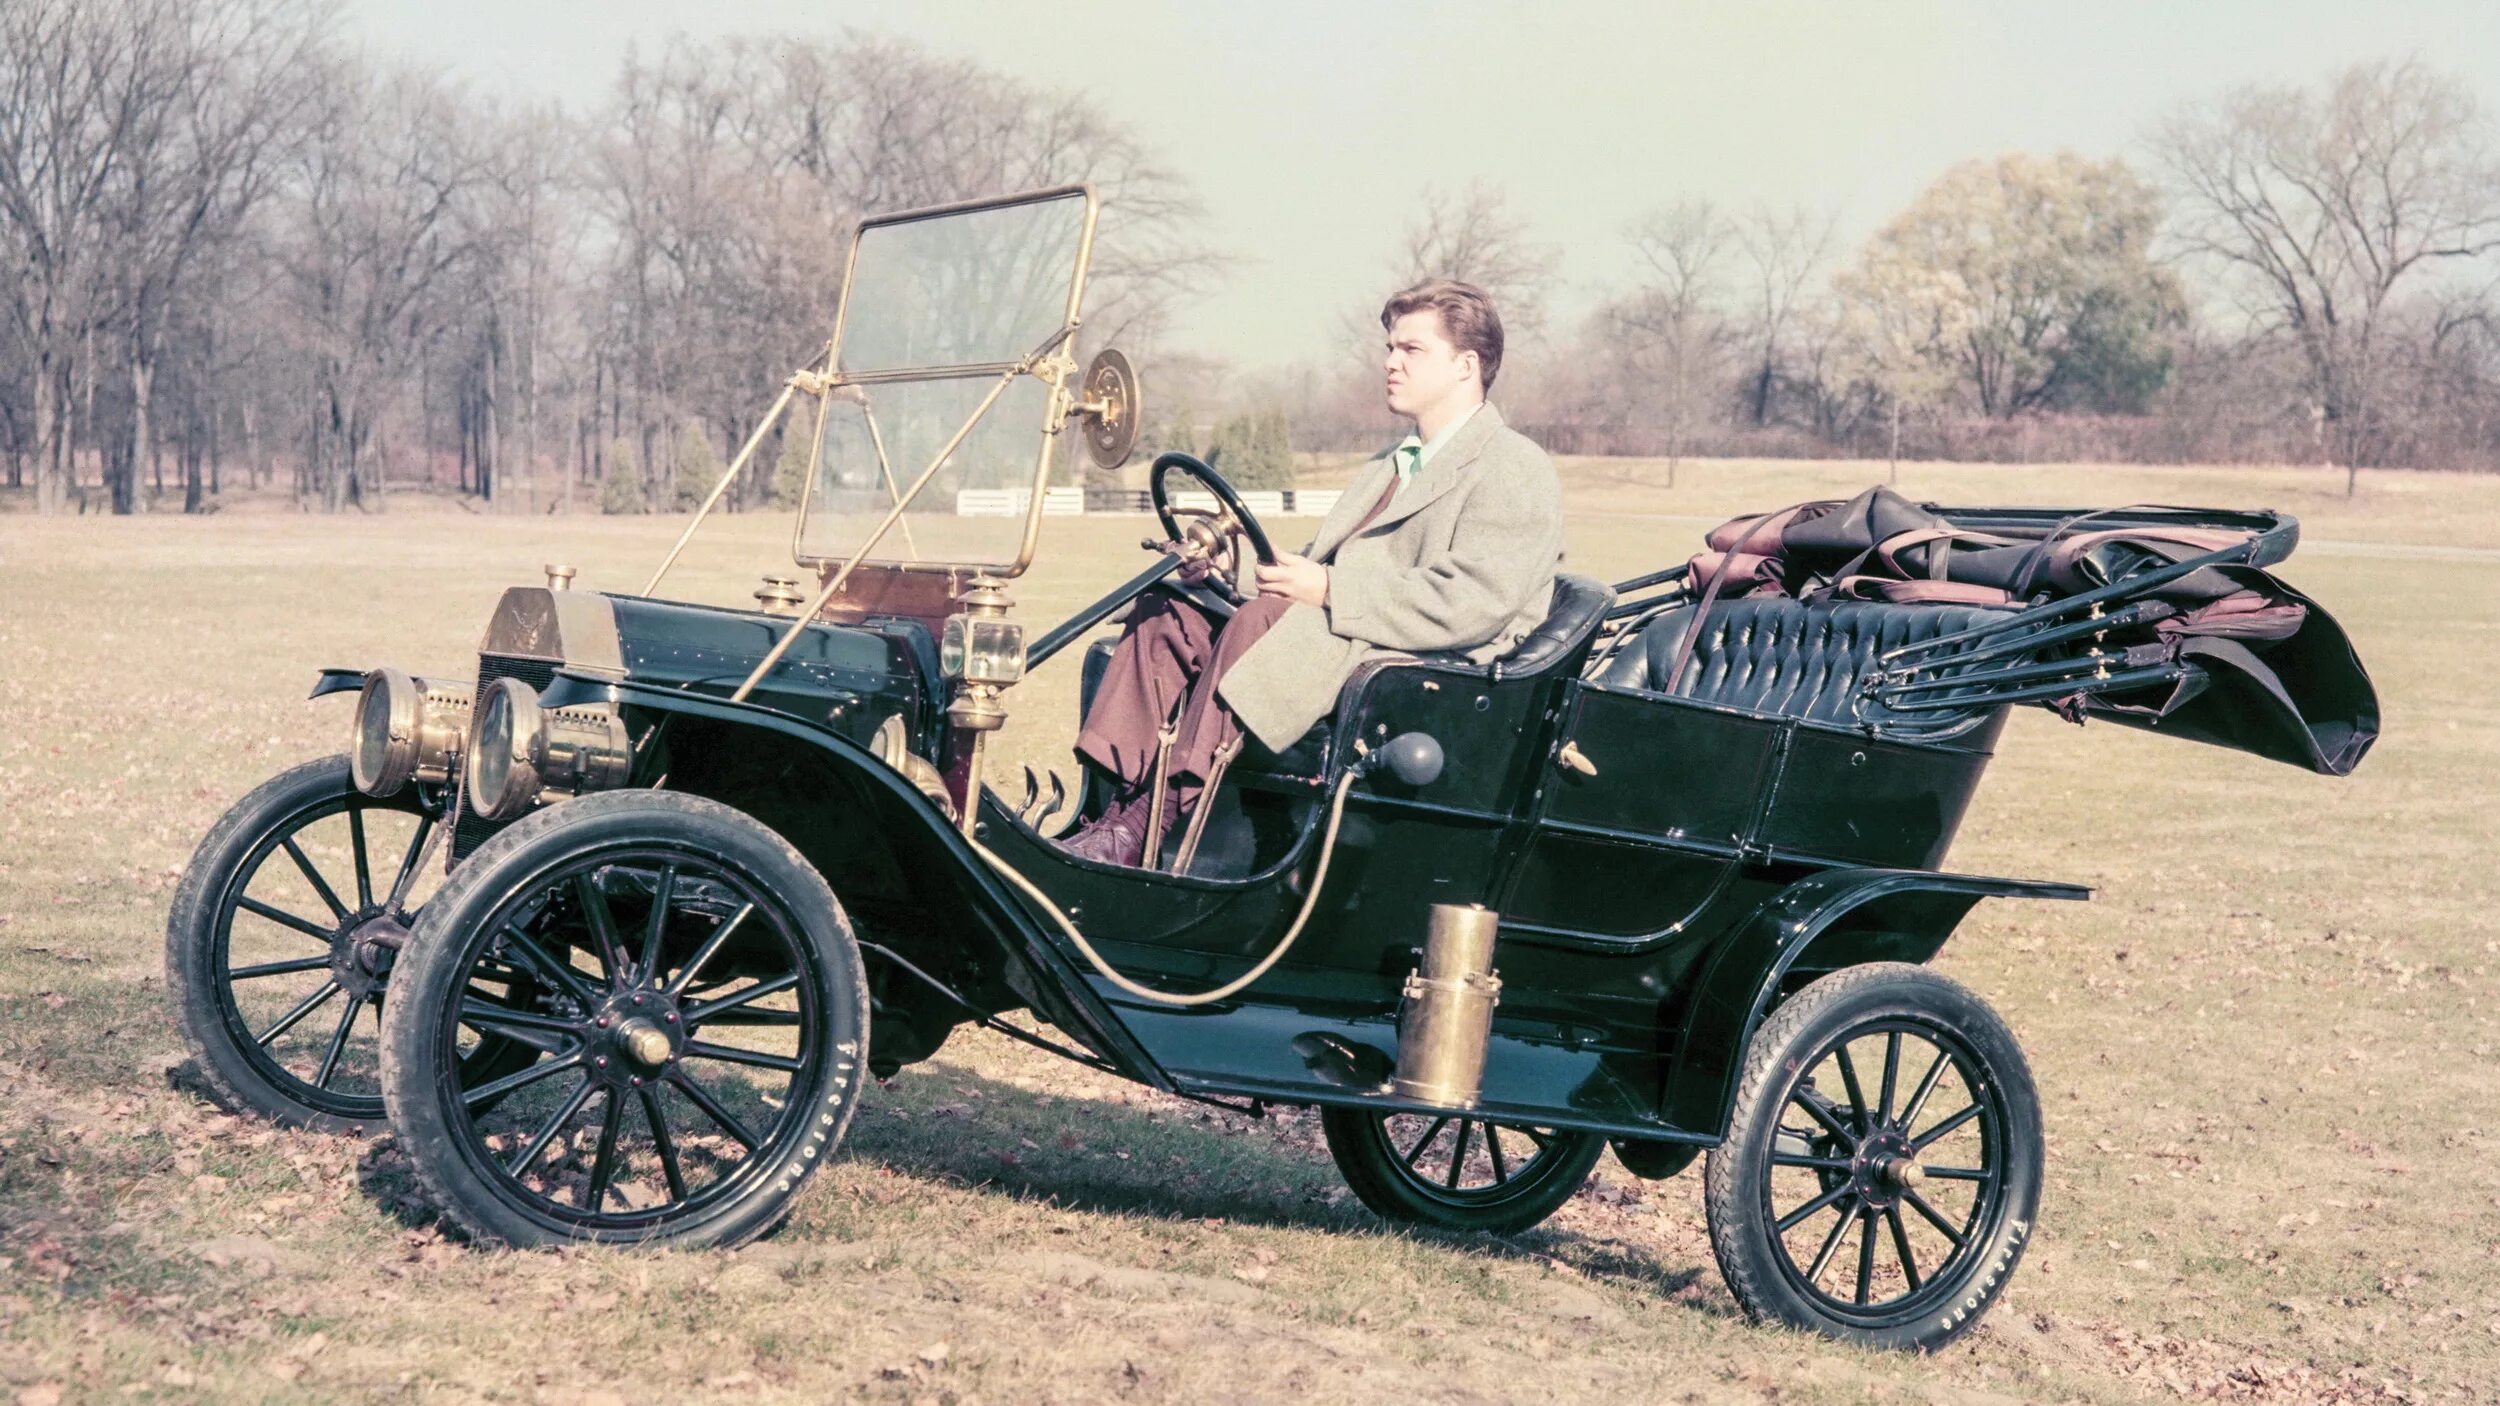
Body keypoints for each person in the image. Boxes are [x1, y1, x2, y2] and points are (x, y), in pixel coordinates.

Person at [1060, 278, 1564, 866]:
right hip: (1354, 633)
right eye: (1390, 347)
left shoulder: (1512, 465)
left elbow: (1474, 604)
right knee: (1167, 611)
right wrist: (1228, 571)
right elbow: (1317, 565)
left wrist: (1327, 590)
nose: (1390, 363)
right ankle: (1112, 812)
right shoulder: (1393, 464)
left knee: (1271, 621)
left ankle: (1150, 823)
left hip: (1432, 671)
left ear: (1466, 365)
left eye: (1411, 350)